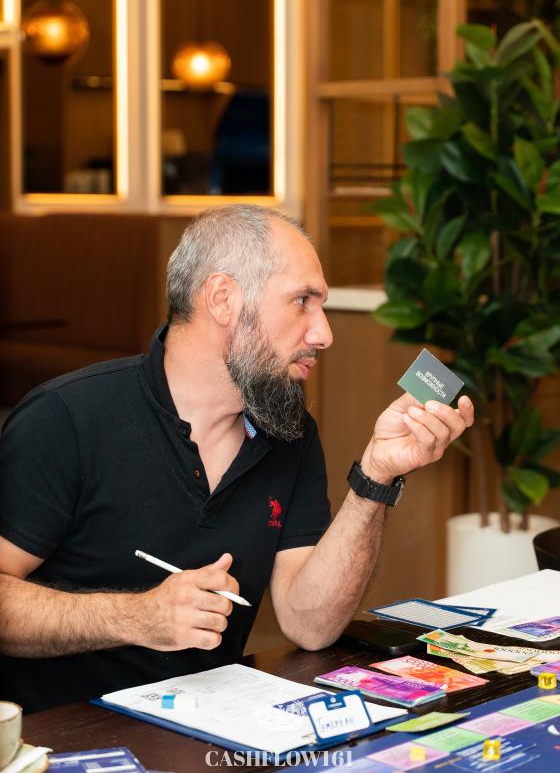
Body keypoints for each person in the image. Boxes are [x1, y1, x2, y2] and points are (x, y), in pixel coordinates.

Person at [0, 205, 474, 713]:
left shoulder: (288, 432)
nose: (324, 334)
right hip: (60, 734)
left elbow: (310, 624)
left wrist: (377, 476)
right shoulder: (66, 418)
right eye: (302, 302)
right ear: (223, 299)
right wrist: (138, 617)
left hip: (217, 731)